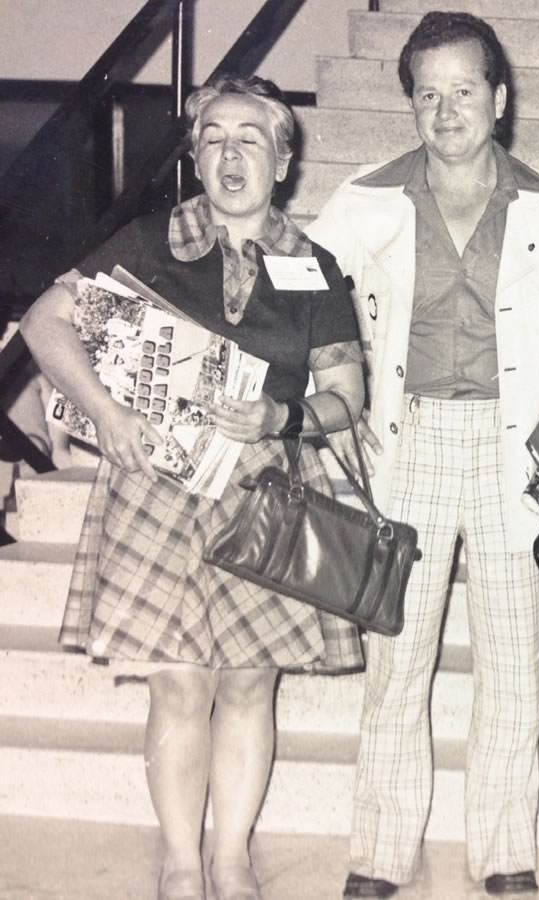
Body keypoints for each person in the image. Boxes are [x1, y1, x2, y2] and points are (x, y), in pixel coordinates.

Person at [20, 74, 366, 900]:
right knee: (180, 682)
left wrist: (278, 416)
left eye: (251, 138)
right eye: (213, 138)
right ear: (195, 156)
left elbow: (346, 396)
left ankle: (233, 858)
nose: (230, 154)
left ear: (283, 160)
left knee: (249, 681)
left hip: (264, 490)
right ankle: (181, 864)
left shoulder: (315, 268)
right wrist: (104, 412)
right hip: (158, 487)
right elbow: (43, 322)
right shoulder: (147, 241)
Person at [304, 11, 539, 898]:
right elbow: (306, 307)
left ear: (500, 98)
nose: (446, 111)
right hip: (405, 443)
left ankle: (504, 856)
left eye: (464, 91)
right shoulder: (365, 199)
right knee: (396, 663)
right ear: (411, 104)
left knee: (513, 664)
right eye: (428, 94)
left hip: (511, 450)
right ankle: (378, 856)